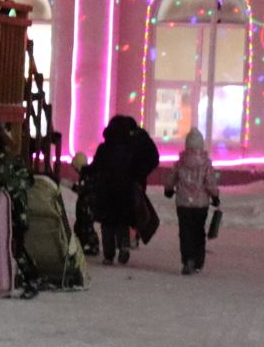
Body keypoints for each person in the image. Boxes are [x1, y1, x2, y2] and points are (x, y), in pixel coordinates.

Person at [89, 114, 160, 266]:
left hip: (106, 192)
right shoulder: (130, 149)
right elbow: (146, 161)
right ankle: (124, 246)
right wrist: (139, 176)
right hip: (125, 192)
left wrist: (87, 173)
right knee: (123, 221)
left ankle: (108, 255)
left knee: (107, 224)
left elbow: (95, 167)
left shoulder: (104, 149)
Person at [164, 128, 220, 275]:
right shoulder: (206, 164)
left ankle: (187, 259)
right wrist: (215, 196)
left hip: (183, 204)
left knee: (185, 232)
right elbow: (210, 183)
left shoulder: (180, 163)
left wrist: (168, 189)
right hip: (201, 204)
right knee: (198, 231)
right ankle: (198, 261)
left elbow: (171, 178)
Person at [70, 152, 100, 257]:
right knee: (82, 226)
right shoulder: (89, 173)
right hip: (86, 204)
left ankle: (91, 245)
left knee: (85, 226)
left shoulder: (86, 175)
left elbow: (84, 189)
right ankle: (84, 244)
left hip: (87, 205)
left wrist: (72, 187)